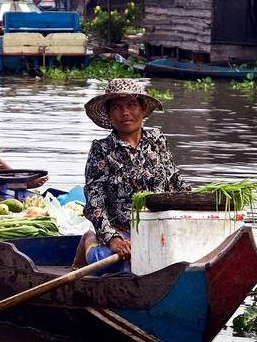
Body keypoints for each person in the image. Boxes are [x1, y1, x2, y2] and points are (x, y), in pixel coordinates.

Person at [73, 79, 191, 274]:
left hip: (160, 228)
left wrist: (203, 202)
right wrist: (113, 238)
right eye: (117, 108)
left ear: (143, 109)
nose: (125, 113)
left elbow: (175, 181)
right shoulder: (101, 150)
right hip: (122, 232)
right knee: (121, 265)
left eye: (131, 105)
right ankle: (89, 240)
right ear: (110, 115)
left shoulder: (157, 140)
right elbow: (95, 204)